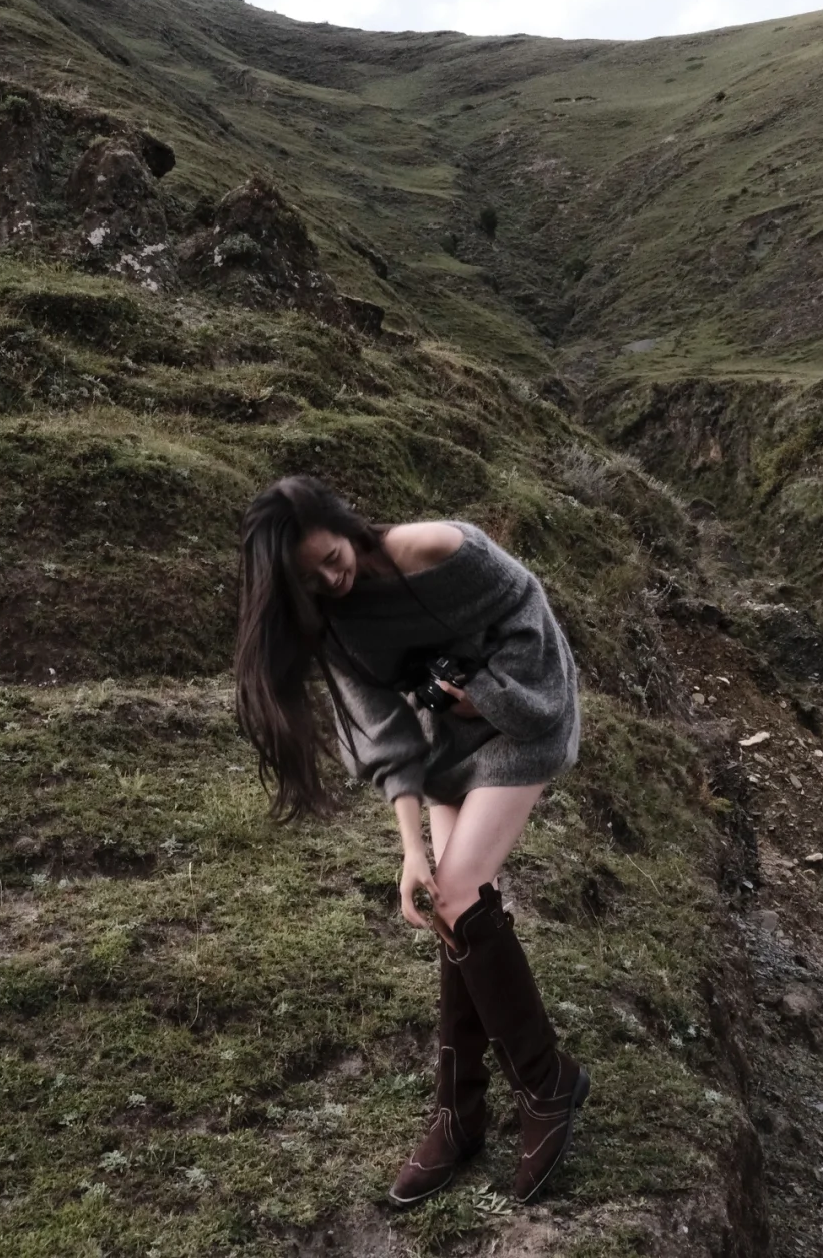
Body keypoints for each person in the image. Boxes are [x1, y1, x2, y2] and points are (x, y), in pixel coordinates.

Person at [235, 474, 588, 1207]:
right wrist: (410, 851)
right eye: (310, 580)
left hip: (524, 717)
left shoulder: (435, 548)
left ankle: (547, 1084)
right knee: (447, 904)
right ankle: (459, 1113)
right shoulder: (329, 620)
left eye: (333, 559)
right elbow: (384, 734)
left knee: (460, 894)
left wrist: (486, 694)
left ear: (345, 526)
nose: (332, 580)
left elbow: (530, 610)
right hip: (451, 746)